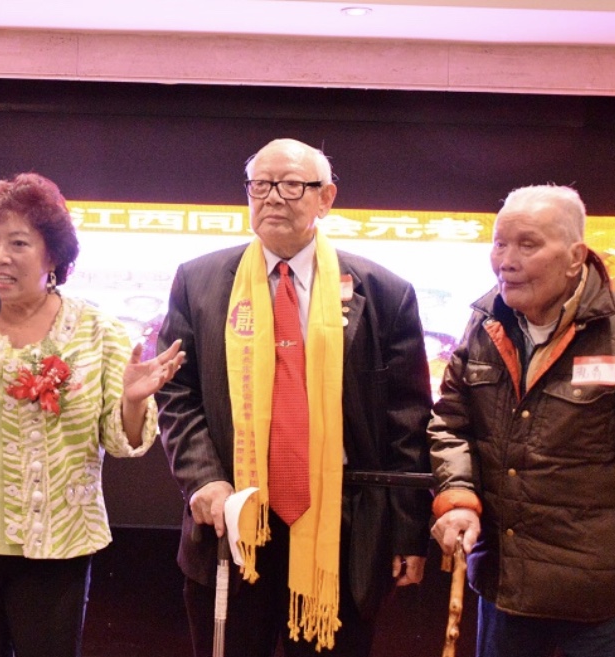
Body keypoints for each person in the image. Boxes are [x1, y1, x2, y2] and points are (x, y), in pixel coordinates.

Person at [0, 172, 185, 657]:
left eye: (18, 243)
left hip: (57, 548)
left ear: (53, 259)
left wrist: (132, 400)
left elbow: (122, 440)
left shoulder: (97, 331)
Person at [156, 138, 434, 656]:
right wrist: (202, 478)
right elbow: (176, 392)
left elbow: (408, 420)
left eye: (290, 185)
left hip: (344, 526)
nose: (272, 198)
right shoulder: (199, 282)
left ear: (326, 198)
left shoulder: (384, 291)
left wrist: (408, 533)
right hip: (232, 519)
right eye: (260, 185)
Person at [428, 184, 615, 657]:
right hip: (504, 589)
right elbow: (451, 424)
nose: (506, 261)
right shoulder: (485, 324)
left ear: (575, 257)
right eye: (499, 243)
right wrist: (457, 498)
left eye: (528, 244)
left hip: (603, 604)